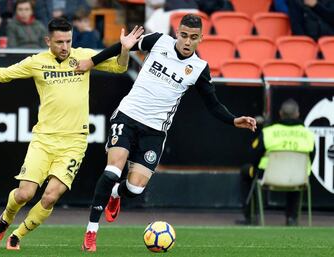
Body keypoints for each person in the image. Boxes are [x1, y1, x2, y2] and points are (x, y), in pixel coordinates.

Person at [0, 18, 143, 250]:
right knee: (24, 194)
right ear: (48, 41)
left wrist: (125, 50)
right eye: (59, 42)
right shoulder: (37, 62)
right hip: (44, 140)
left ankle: (18, 234)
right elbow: (1, 74)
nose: (65, 47)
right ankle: (6, 218)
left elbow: (119, 67)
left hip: (74, 142)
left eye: (68, 41)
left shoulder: (84, 56)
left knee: (49, 197)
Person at [77, 14, 257, 252]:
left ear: (201, 39)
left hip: (155, 130)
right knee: (112, 169)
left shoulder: (199, 69)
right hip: (128, 116)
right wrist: (92, 61)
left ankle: (115, 193)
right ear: (177, 33)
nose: (187, 41)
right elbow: (121, 47)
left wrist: (234, 120)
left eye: (193, 37)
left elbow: (212, 104)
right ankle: (91, 231)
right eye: (183, 35)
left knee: (135, 188)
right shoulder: (158, 41)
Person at [238, 99, 315, 226]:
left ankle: (252, 216)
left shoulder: (268, 132)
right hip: (298, 178)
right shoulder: (308, 134)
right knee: (296, 174)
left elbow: (255, 156)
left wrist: (256, 169)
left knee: (247, 170)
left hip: (268, 176)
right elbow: (311, 158)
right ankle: (292, 218)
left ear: (280, 113)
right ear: (297, 114)